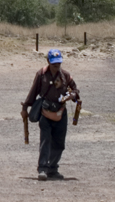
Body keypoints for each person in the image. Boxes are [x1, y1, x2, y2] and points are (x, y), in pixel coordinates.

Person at [23, 49, 80, 181]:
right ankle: (42, 169)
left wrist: (72, 95)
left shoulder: (66, 75)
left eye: (59, 63)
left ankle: (53, 168)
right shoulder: (41, 74)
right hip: (45, 112)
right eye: (54, 63)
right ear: (48, 61)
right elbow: (33, 92)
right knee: (45, 141)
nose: (57, 66)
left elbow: (75, 89)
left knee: (59, 143)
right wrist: (25, 107)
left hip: (61, 112)